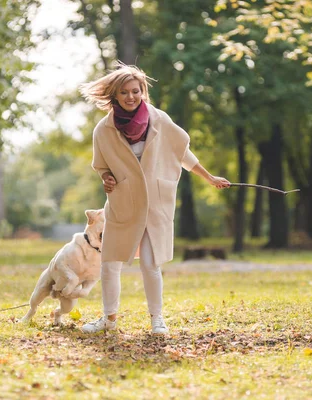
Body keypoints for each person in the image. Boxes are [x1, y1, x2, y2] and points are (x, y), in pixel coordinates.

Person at [79, 64, 230, 335]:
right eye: (124, 92)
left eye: (135, 91)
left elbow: (182, 153)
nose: (130, 97)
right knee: (110, 262)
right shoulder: (103, 130)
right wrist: (106, 178)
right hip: (123, 202)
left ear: (143, 92)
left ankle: (157, 320)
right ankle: (108, 319)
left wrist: (209, 177)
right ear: (114, 95)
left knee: (150, 263)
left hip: (155, 202)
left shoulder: (159, 120)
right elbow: (101, 166)